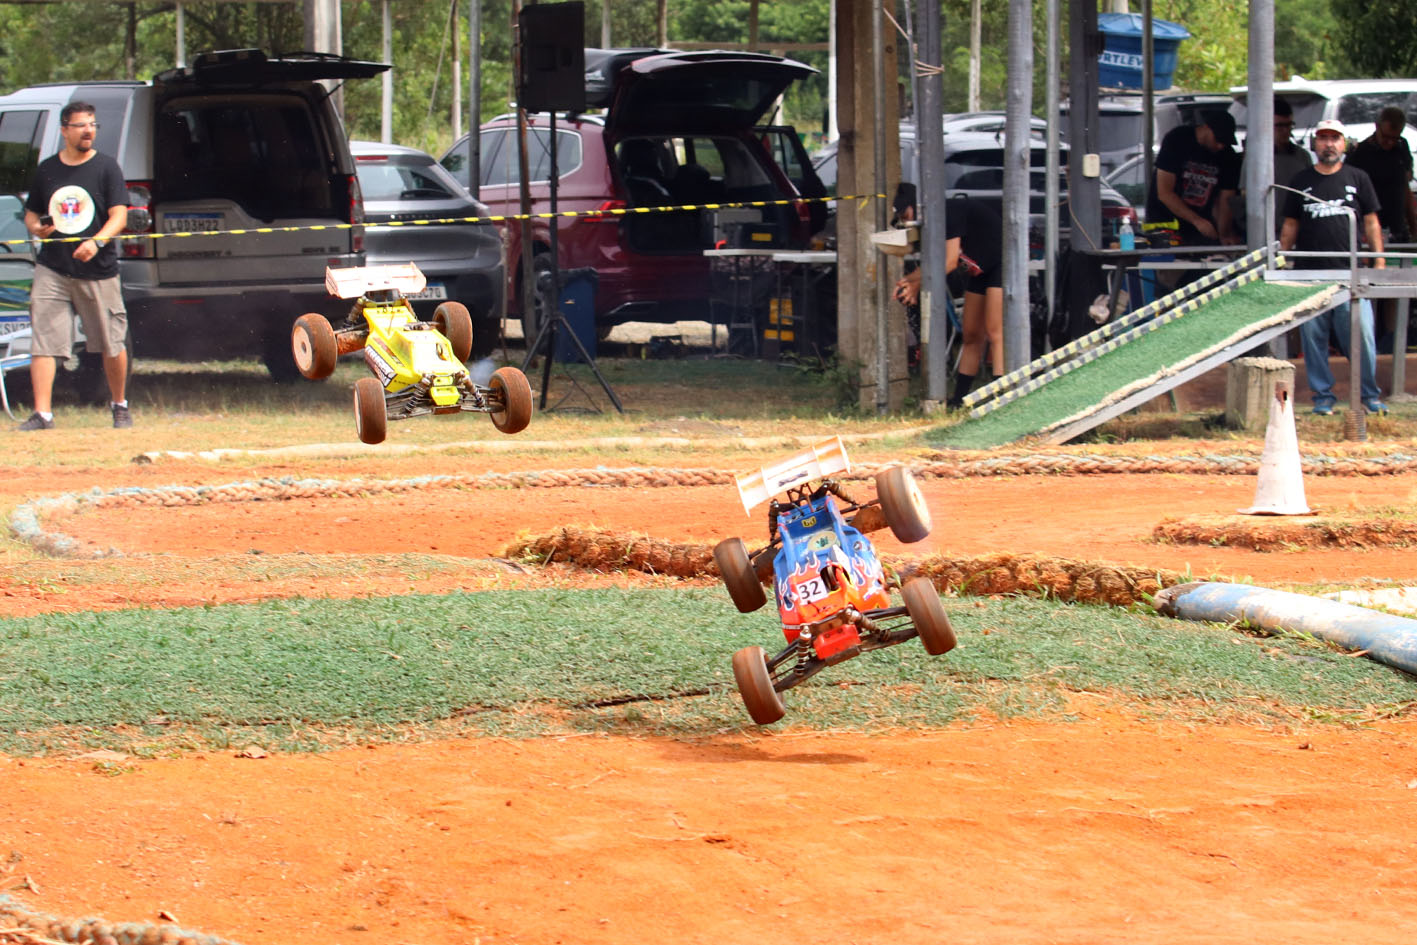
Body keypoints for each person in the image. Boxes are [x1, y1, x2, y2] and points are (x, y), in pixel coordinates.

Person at [20, 101, 130, 430]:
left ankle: (119, 404)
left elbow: (119, 216)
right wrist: (36, 227)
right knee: (44, 340)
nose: (88, 131)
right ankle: (43, 414)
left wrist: (96, 242)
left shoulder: (107, 168)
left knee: (111, 341)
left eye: (93, 125)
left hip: (98, 270)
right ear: (65, 130)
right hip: (53, 267)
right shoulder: (48, 170)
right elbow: (31, 213)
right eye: (81, 125)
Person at [1279, 118, 1386, 416]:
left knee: (1361, 335)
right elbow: (1290, 223)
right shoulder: (1301, 180)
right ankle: (1322, 397)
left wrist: (1378, 259)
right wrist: (1282, 258)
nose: (1329, 144)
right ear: (1315, 144)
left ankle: (1369, 395)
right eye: (1323, 138)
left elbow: (1371, 221)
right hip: (1310, 274)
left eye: (1334, 138)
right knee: (1314, 338)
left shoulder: (1358, 176)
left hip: (1350, 274)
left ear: (1344, 143)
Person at [894, 194, 1003, 408]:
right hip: (979, 270)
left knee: (994, 332)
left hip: (1000, 264)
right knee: (971, 334)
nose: (904, 221)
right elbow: (931, 265)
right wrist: (905, 282)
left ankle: (1001, 396)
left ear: (914, 208)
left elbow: (949, 262)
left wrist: (917, 284)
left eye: (904, 215)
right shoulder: (934, 225)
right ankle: (958, 399)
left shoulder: (949, 212)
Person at [1145, 109, 1242, 286]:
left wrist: (1224, 234)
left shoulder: (1227, 156)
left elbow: (1225, 199)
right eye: (1218, 140)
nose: (1221, 146)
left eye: (1225, 142)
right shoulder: (1178, 139)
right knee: (1171, 283)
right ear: (1205, 128)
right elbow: (1164, 193)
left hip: (1198, 232)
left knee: (1205, 280)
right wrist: (1197, 220)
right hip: (1166, 225)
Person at [1233, 96, 1312, 239]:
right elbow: (1246, 194)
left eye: (1289, 125)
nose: (1285, 131)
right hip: (1266, 231)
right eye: (1279, 126)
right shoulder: (1255, 158)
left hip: (1297, 228)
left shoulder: (1302, 156)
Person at [1346, 105, 1417, 244]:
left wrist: (1413, 227)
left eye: (1395, 138)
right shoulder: (1359, 153)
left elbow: (1405, 187)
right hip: (1369, 226)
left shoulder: (1402, 146)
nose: (1390, 143)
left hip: (1397, 225)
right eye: (1386, 137)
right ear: (1377, 126)